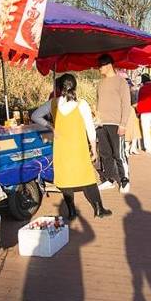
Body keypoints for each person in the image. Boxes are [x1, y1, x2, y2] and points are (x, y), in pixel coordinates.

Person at [31, 74, 112, 219]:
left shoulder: (53, 103)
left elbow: (35, 116)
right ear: (75, 87)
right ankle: (99, 209)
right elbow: (90, 129)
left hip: (61, 148)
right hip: (78, 147)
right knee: (87, 177)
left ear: (59, 88)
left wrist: (50, 125)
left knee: (65, 179)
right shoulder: (81, 104)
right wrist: (94, 149)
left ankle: (71, 212)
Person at [95, 54, 132, 193]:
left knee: (119, 154)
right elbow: (97, 102)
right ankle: (109, 179)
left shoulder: (121, 82)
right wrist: (96, 118)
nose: (99, 68)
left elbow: (126, 104)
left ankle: (124, 180)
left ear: (109, 65)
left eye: (101, 65)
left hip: (116, 123)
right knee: (105, 154)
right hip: (101, 124)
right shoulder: (100, 83)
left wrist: (123, 124)